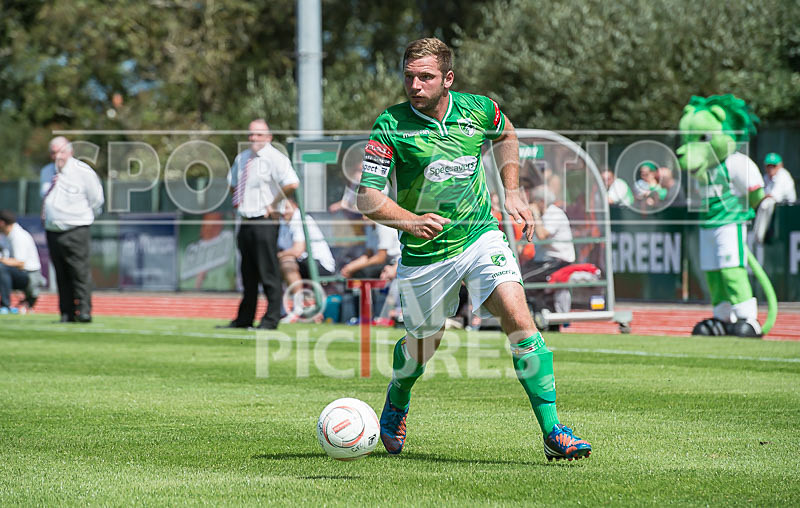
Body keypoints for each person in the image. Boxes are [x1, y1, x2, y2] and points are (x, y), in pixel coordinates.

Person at [356, 37, 591, 461]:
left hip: (480, 235)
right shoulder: (390, 124)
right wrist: (411, 221)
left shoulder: (478, 109)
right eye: (409, 77)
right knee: (423, 344)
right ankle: (397, 399)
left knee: (519, 317)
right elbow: (367, 197)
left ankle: (554, 430)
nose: (415, 85)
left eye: (425, 77)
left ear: (448, 78)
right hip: (425, 255)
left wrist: (513, 191)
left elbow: (506, 133)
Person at [221, 119, 299, 329]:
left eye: (259, 135)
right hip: (246, 220)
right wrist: (241, 201)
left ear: (269, 137)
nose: (254, 139)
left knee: (268, 272)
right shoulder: (243, 157)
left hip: (264, 221)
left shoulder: (275, 158)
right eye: (251, 135)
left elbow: (292, 183)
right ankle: (244, 318)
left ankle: (271, 319)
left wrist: (273, 204)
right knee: (248, 274)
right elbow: (232, 184)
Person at [42, 137, 104, 323]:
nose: (57, 156)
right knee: (61, 273)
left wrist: (83, 217)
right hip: (53, 229)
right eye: (53, 152)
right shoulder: (46, 171)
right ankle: (66, 312)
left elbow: (96, 199)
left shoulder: (83, 171)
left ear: (70, 152)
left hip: (76, 228)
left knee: (79, 272)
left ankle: (84, 311)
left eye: (61, 151)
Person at [277, 198, 335, 320]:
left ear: (295, 206)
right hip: (303, 263)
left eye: (286, 207)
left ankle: (299, 307)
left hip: (320, 264)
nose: (283, 211)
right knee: (273, 267)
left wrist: (276, 256)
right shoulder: (283, 222)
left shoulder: (301, 219)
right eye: (281, 208)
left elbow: (297, 251)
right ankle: (281, 310)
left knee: (286, 264)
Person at [0, 211, 42, 313]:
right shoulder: (6, 235)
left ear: (1, 223)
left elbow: (20, 263)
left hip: (29, 276)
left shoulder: (19, 236)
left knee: (1, 268)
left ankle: (6, 306)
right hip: (17, 273)